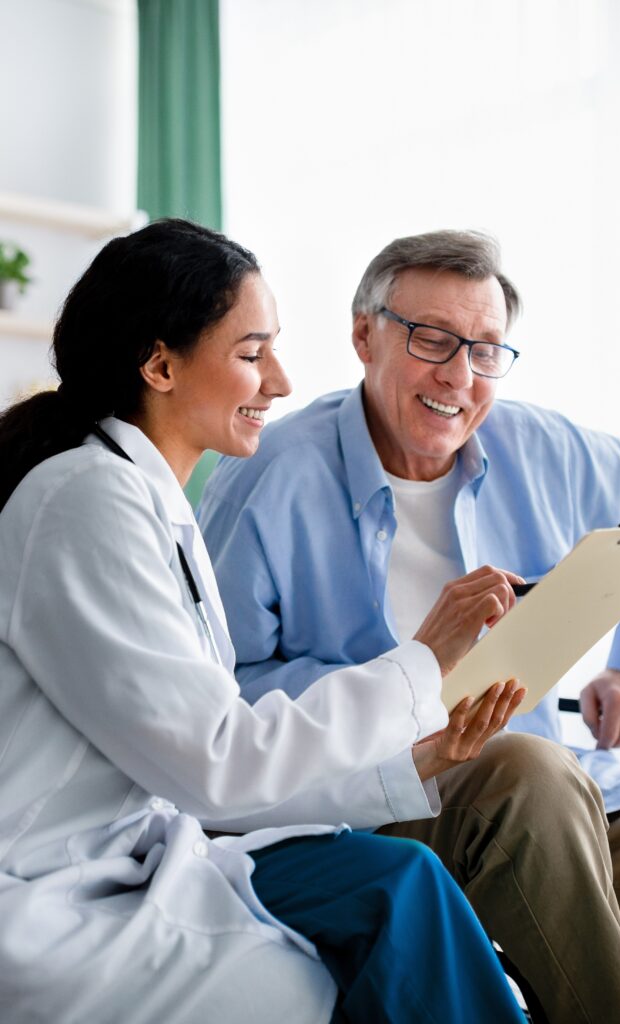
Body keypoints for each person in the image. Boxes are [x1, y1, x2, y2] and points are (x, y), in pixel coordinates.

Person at [0, 219, 534, 1024]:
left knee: (400, 881)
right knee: (375, 920)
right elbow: (215, 765)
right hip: (54, 887)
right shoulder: (85, 499)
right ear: (159, 365)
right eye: (253, 354)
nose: (280, 382)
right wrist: (422, 660)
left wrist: (412, 763)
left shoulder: (148, 503)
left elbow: (201, 773)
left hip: (142, 854)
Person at [199, 229, 620, 1023]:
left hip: (559, 805)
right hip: (381, 799)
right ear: (364, 337)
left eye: (485, 349)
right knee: (525, 770)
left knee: (541, 777)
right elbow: (221, 698)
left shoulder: (539, 446)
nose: (458, 375)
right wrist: (410, 683)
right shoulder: (271, 473)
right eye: (431, 339)